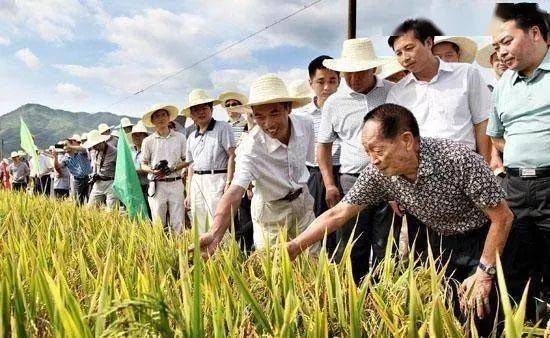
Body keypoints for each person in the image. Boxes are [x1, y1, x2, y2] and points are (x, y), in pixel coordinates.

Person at [287, 104, 514, 334]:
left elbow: (503, 218)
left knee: (485, 316)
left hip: (486, 240)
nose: (373, 160)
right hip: (442, 242)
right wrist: (296, 246)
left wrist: (485, 273)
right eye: (367, 152)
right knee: (450, 317)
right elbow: (340, 212)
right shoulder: (379, 173)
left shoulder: (458, 159)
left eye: (376, 150)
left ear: (406, 140)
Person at [198, 74, 319, 255]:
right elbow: (235, 191)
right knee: (274, 270)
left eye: (274, 113)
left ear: (289, 108)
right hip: (271, 212)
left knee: (313, 262)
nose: (268, 124)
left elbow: (308, 160)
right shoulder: (250, 147)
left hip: (303, 203)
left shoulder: (305, 125)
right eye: (259, 117)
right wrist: (215, 233)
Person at [487, 3, 550, 321]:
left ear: (535, 34)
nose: (501, 52)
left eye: (507, 42)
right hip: (515, 188)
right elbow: (496, 136)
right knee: (514, 271)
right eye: (497, 47)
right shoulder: (502, 87)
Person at [318, 38, 394, 282]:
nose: (354, 79)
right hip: (352, 180)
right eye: (348, 74)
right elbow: (324, 147)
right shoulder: (334, 102)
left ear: (373, 68)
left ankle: (386, 294)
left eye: (360, 72)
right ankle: (354, 295)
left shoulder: (392, 92)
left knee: (385, 242)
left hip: (390, 179)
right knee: (353, 241)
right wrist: (330, 183)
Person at [387, 19, 492, 163]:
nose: (405, 57)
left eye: (409, 48)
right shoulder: (397, 92)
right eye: (398, 53)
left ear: (429, 43)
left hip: (465, 164)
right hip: (422, 168)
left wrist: (484, 166)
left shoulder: (466, 74)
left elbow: (482, 121)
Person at [183, 89, 236, 234]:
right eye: (196, 110)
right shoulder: (191, 137)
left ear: (211, 109)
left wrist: (228, 183)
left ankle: (223, 254)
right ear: (192, 115)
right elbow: (191, 166)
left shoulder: (223, 128)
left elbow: (232, 155)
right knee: (198, 220)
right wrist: (188, 193)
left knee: (218, 220)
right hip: (197, 182)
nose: (201, 112)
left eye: (204, 108)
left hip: (217, 179)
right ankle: (204, 254)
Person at [141, 104, 188, 233]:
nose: (160, 118)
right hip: (157, 184)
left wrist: (172, 168)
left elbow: (187, 160)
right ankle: (159, 249)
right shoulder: (148, 141)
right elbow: (143, 164)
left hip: (176, 182)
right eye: (156, 116)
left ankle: (179, 248)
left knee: (178, 221)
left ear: (169, 118)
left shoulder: (180, 138)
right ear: (152, 121)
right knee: (157, 221)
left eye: (163, 115)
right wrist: (152, 170)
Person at [219, 91, 254, 252]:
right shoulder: (223, 127)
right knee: (235, 216)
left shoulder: (248, 124)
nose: (231, 107)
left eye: (234, 104)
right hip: (231, 175)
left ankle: (250, 248)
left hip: (247, 174)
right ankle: (240, 248)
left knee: (249, 214)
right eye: (228, 105)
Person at [476, 42, 509, 177]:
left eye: (504, 59)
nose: (502, 63)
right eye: (497, 59)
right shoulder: (483, 90)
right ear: (491, 61)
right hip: (492, 155)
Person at [82, 130, 118, 210]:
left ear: (101, 142)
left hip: (111, 183)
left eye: (95, 145)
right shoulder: (94, 151)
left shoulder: (114, 152)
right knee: (90, 209)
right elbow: (95, 166)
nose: (93, 147)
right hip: (98, 182)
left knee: (112, 211)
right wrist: (93, 175)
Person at [54, 134, 92, 205]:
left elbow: (84, 149)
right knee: (78, 202)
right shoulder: (66, 158)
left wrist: (70, 146)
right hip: (77, 180)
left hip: (88, 179)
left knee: (90, 200)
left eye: (65, 144)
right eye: (63, 145)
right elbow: (58, 167)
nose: (64, 146)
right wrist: (55, 157)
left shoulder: (80, 152)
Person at [130, 121, 151, 219]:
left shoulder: (149, 150)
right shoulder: (130, 150)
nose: (137, 137)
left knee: (148, 212)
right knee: (137, 213)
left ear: (145, 136)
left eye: (140, 135)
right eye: (135, 135)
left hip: (146, 186)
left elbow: (150, 168)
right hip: (134, 187)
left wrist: (133, 172)